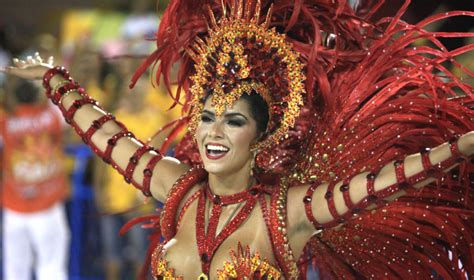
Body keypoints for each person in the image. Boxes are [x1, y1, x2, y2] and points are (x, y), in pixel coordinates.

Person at [2, 0, 474, 279]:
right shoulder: (178, 188)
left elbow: (384, 183)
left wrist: (461, 148)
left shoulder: (289, 211)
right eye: (207, 116)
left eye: (233, 122)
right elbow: (110, 139)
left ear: (260, 134)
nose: (213, 132)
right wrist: (55, 79)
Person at [0, 79, 70, 280]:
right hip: (48, 207)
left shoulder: (5, 121)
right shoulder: (53, 115)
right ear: (39, 95)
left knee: (15, 270)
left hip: (14, 207)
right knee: (52, 268)